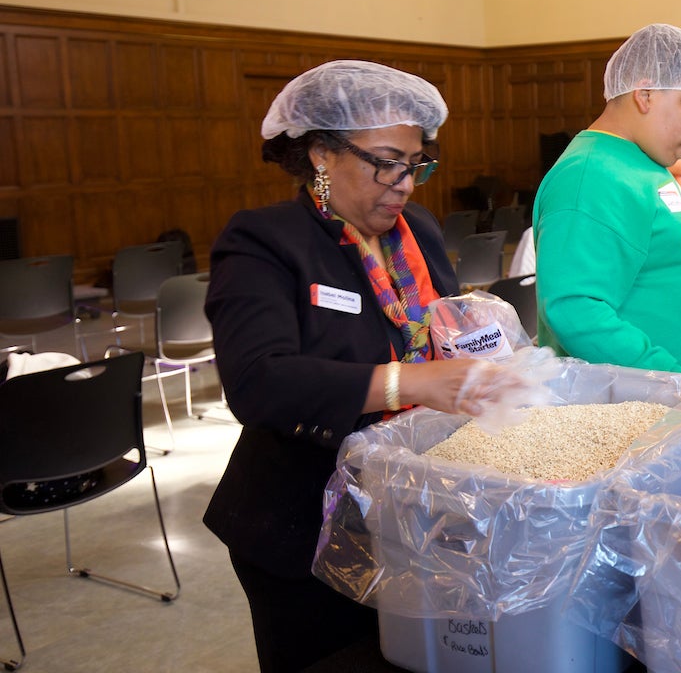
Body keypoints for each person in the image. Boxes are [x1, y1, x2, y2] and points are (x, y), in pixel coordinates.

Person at [202, 60, 531, 671]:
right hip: (300, 523)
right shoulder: (264, 242)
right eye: (386, 162)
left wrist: (478, 340)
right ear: (322, 154)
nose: (404, 183)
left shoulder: (418, 232)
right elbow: (258, 382)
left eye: (415, 164)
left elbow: (434, 327)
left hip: (407, 511)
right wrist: (411, 381)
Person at [533, 23, 681, 371]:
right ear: (645, 94)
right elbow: (575, 307)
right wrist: (671, 380)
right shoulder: (591, 174)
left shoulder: (640, 159)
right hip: (652, 402)